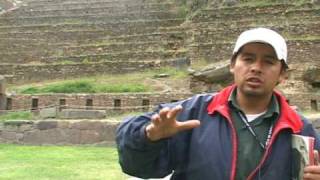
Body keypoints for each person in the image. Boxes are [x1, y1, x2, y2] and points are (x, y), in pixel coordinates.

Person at [116, 27, 320, 180]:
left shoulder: (301, 128)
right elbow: (137, 168)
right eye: (248, 59)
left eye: (268, 61)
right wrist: (149, 137)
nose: (256, 68)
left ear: (282, 73)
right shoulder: (191, 113)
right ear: (232, 65)